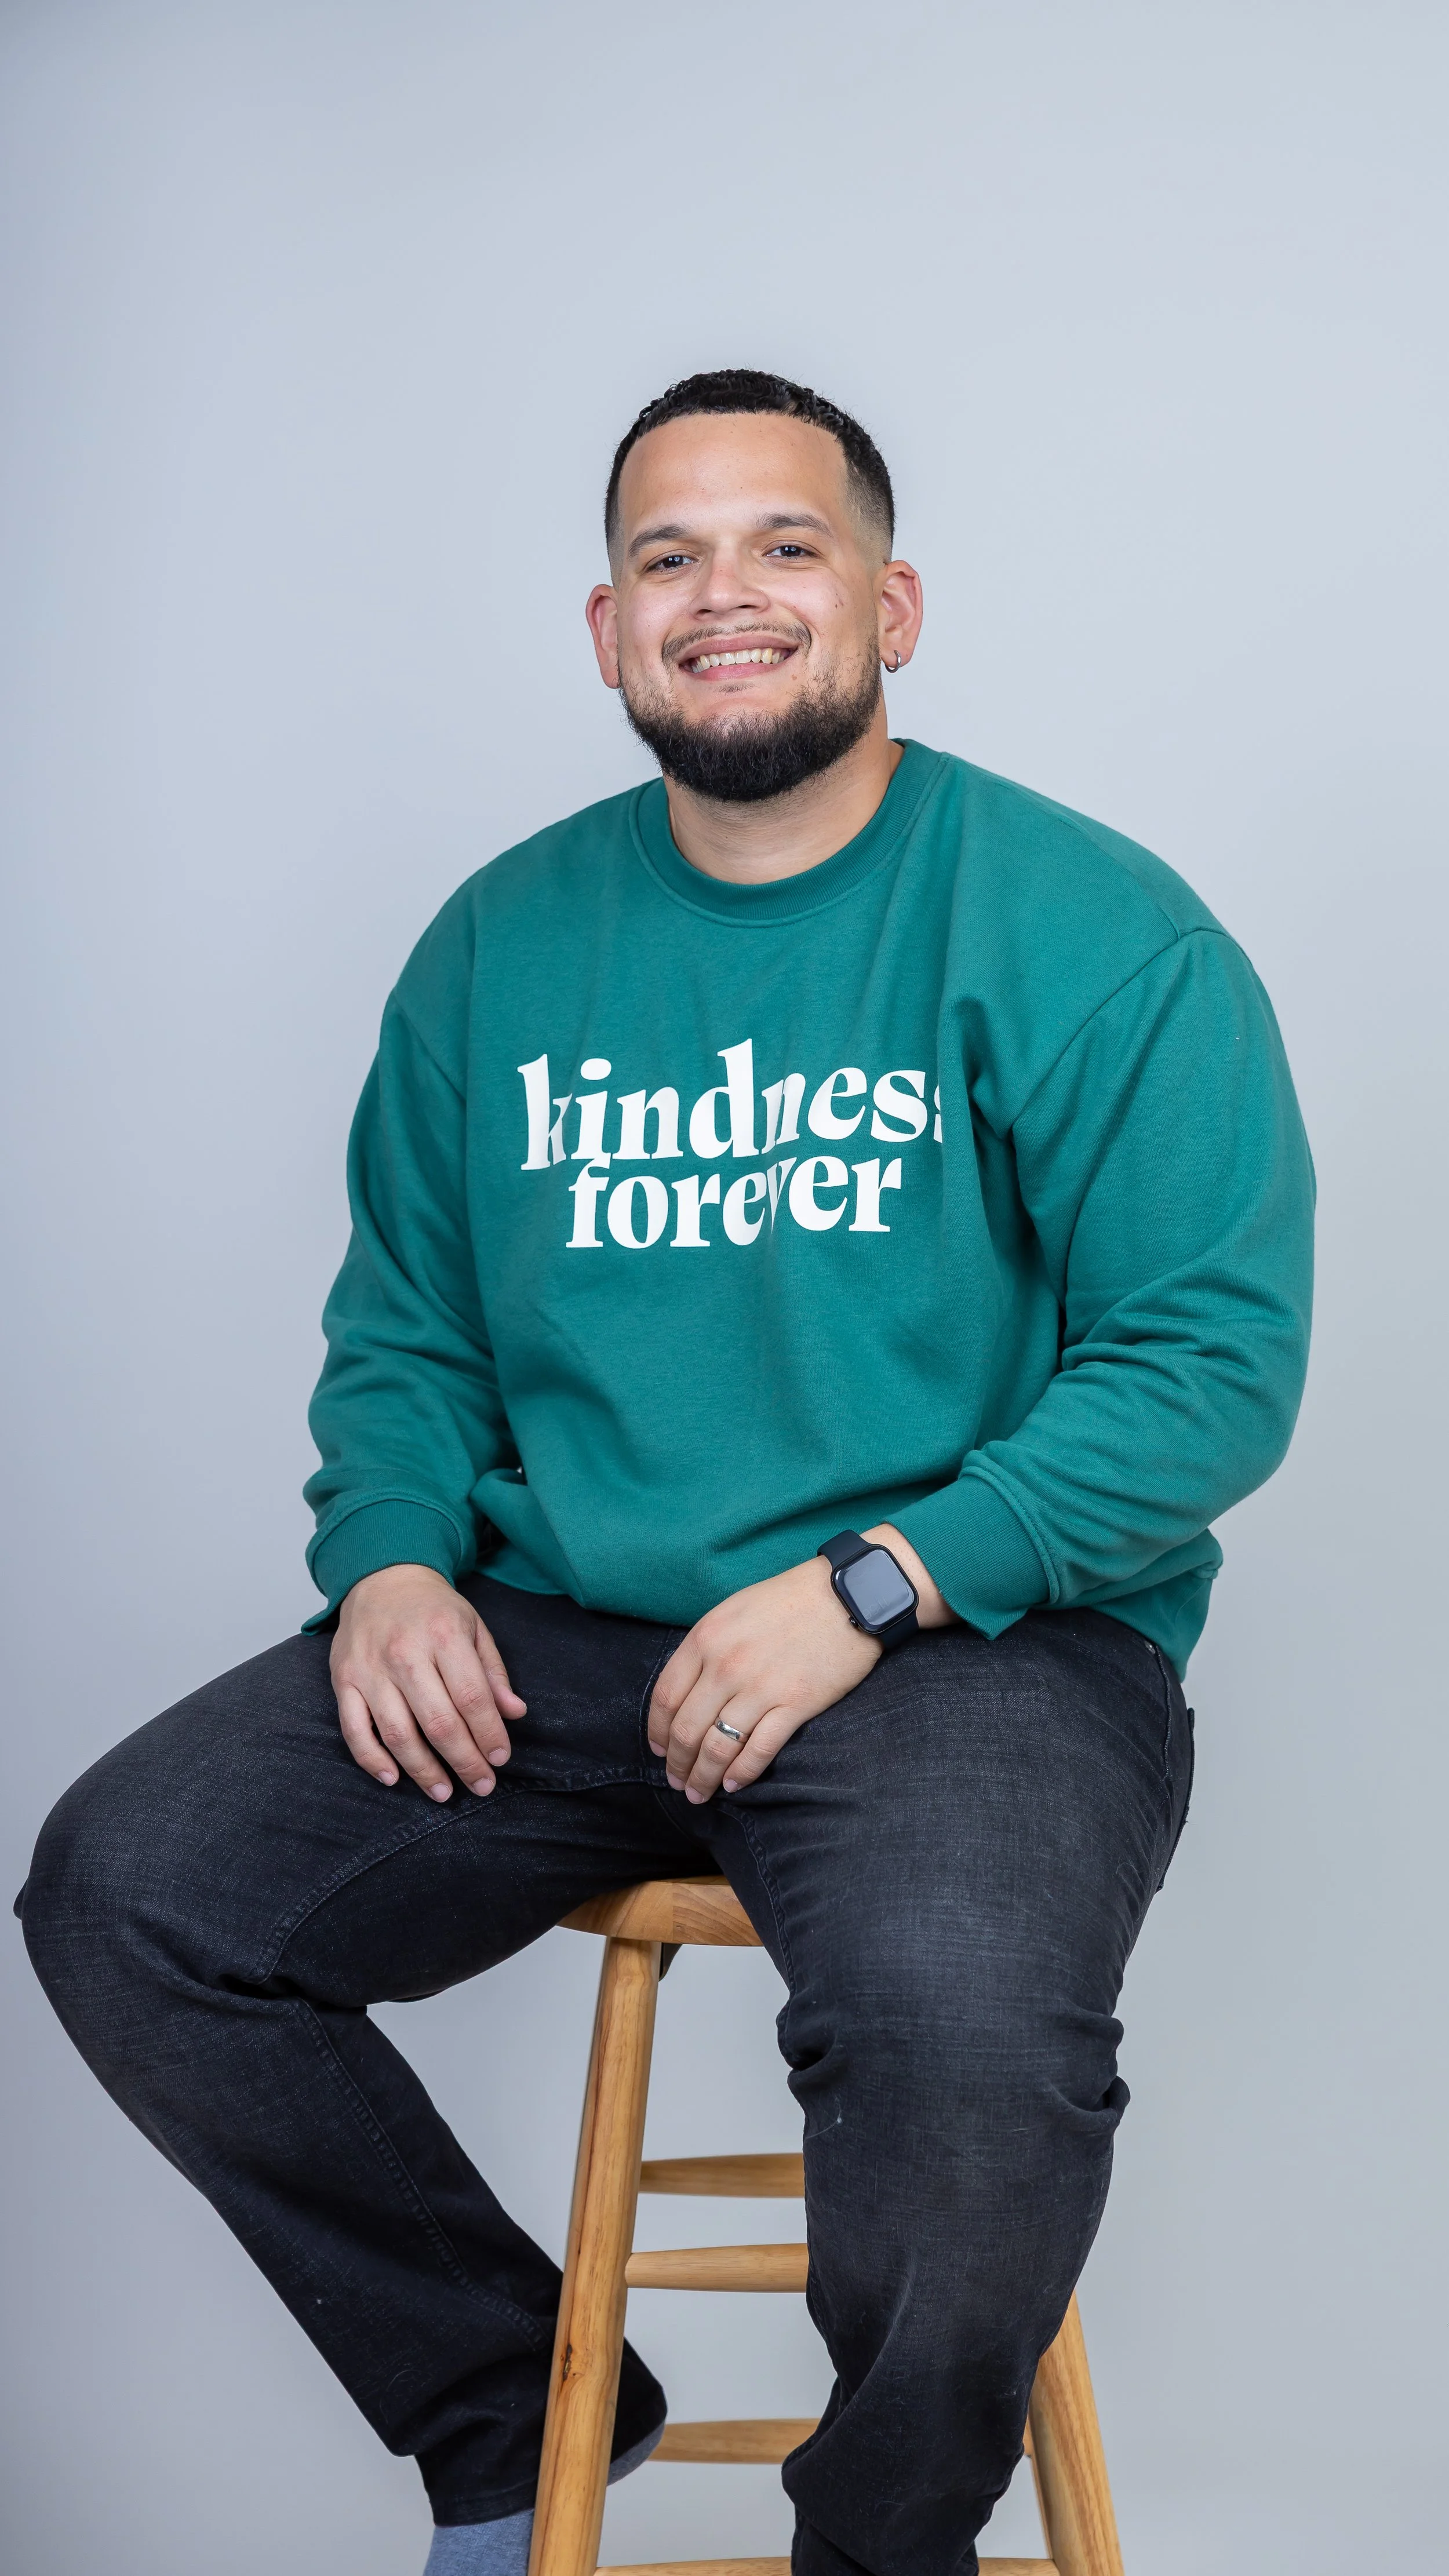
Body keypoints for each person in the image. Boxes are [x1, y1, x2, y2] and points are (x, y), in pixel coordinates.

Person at [19, 369, 1315, 2576]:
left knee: (972, 2072)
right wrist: (396, 1564)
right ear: (609, 630)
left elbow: (1205, 1369)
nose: (726, 595)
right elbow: (410, 1340)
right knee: (135, 1892)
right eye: (667, 556)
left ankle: (870, 2544)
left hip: (959, 1631)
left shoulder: (1093, 930)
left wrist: (879, 1585)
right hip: (567, 1642)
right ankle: (516, 2413)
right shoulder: (500, 950)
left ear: (889, 604)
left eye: (784, 547)